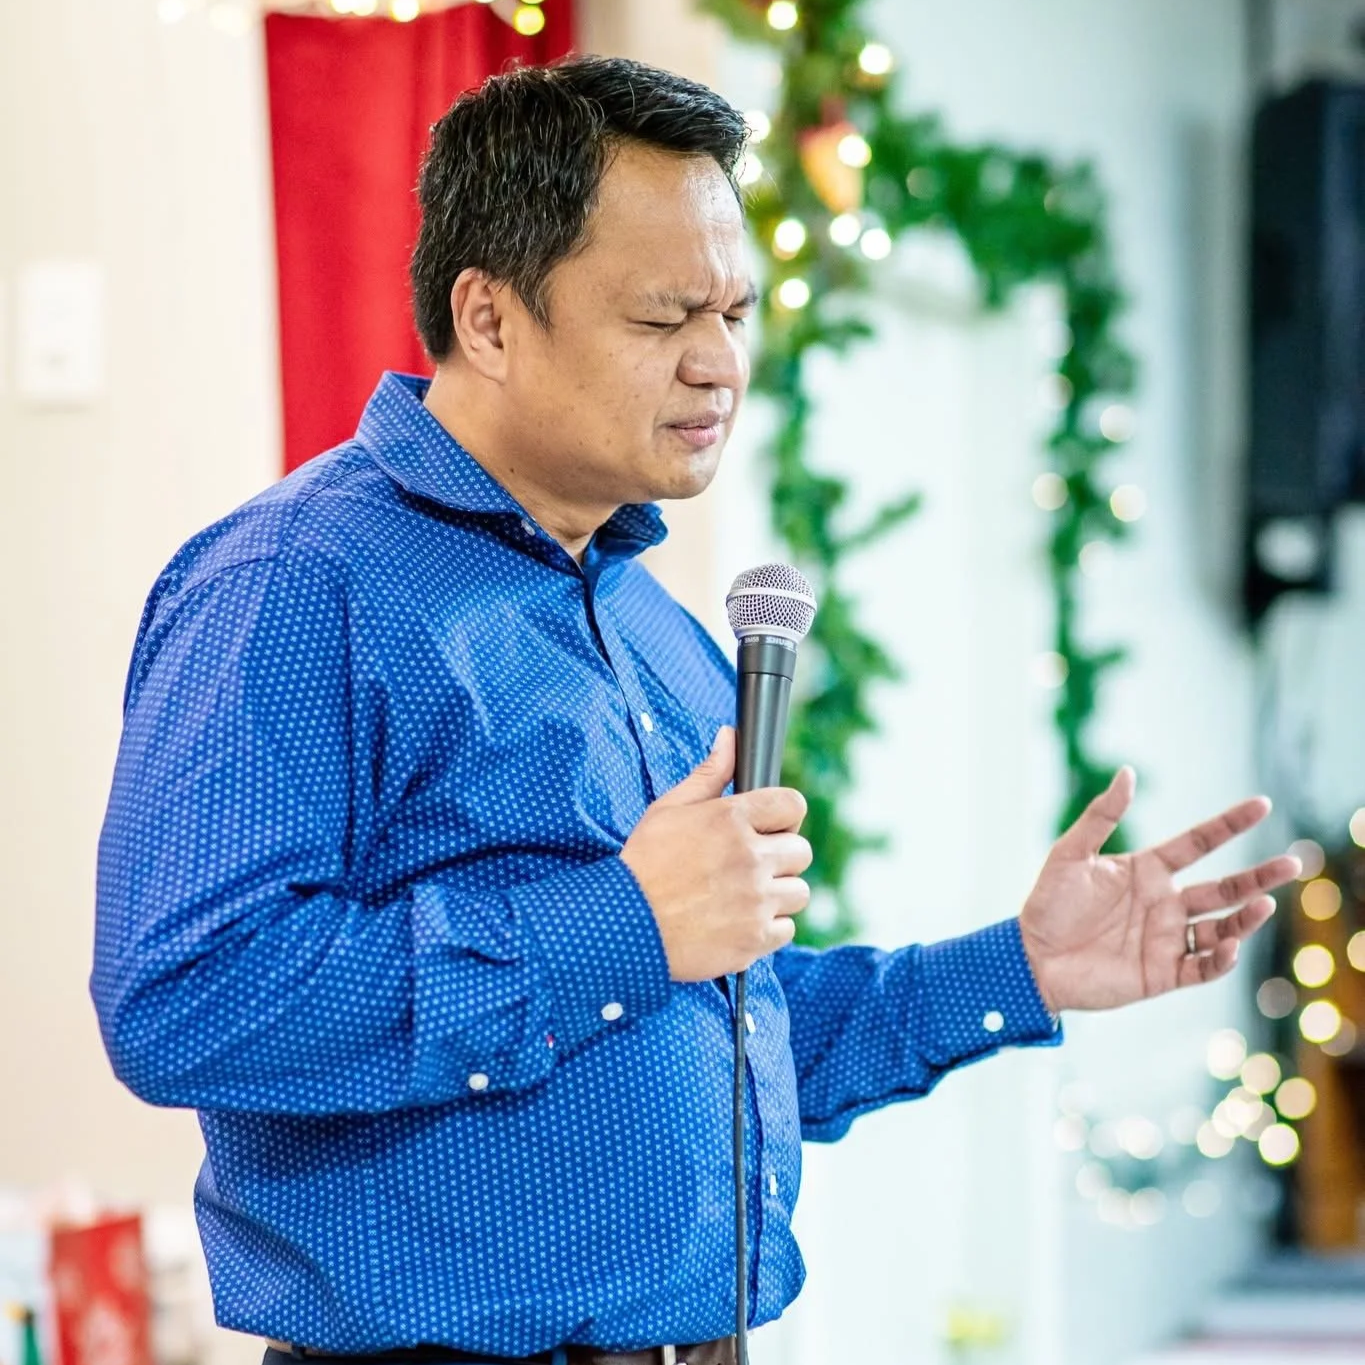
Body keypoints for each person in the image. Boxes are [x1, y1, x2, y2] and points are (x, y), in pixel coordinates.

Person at [92, 54, 1299, 1365]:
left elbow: (725, 1017)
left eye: (735, 310)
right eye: (664, 318)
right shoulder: (294, 583)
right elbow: (183, 1001)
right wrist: (618, 922)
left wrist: (1016, 969)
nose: (720, 363)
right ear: (488, 321)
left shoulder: (664, 634)